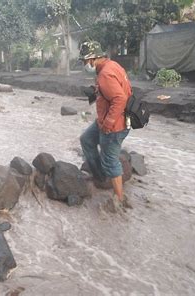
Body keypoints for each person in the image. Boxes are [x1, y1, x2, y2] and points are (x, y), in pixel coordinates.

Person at [78, 41, 132, 208]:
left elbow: (120, 99)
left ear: (93, 59)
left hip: (114, 125)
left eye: (84, 61)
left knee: (110, 160)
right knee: (86, 139)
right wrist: (97, 91)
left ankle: (119, 198)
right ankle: (100, 176)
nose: (84, 65)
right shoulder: (111, 66)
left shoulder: (105, 74)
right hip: (108, 119)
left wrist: (108, 123)